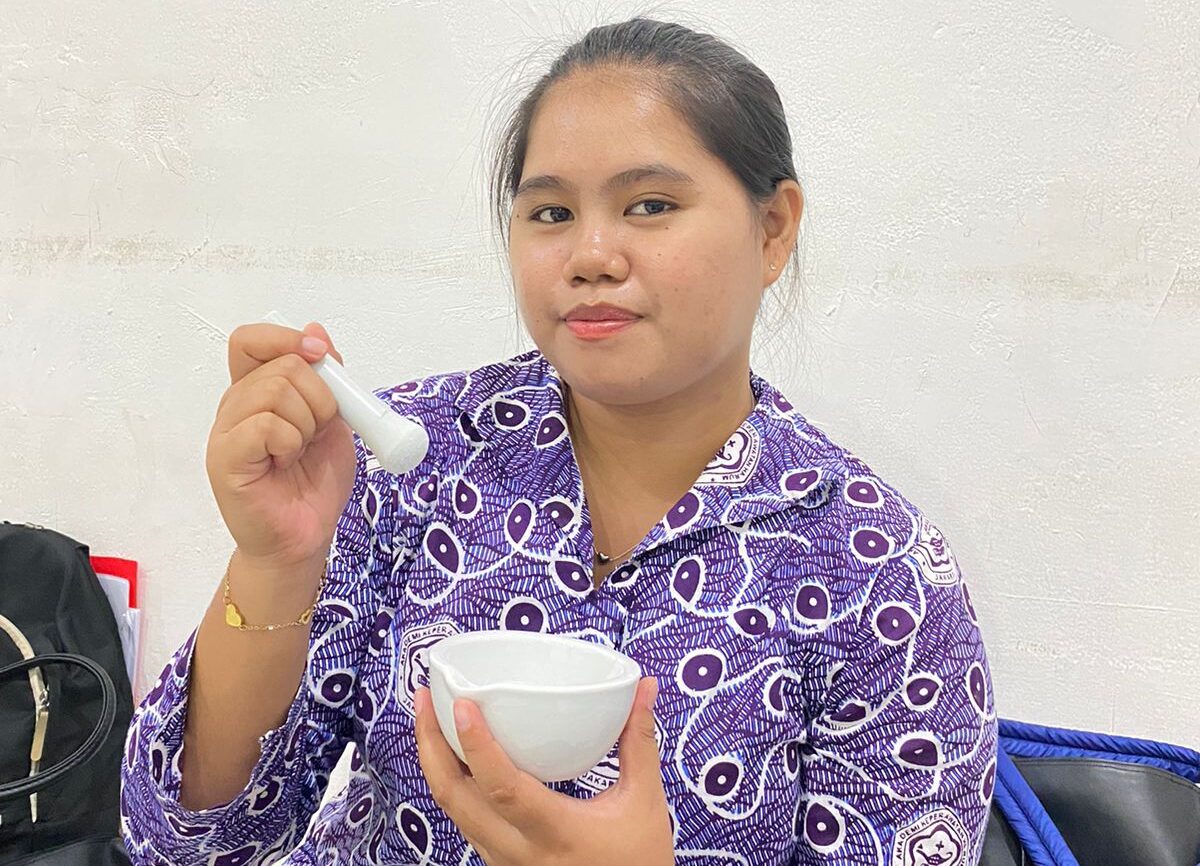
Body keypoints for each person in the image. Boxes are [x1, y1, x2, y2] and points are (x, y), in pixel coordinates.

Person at [120, 16, 997, 866]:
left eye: (650, 205)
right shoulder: (409, 459)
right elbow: (186, 843)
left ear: (773, 231)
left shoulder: (877, 574)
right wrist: (276, 560)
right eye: (550, 213)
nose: (591, 254)